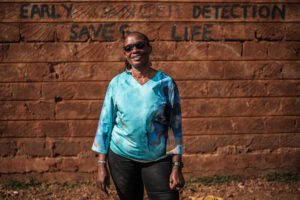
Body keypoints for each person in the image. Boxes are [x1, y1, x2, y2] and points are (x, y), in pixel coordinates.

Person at [92, 32, 184, 200]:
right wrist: (101, 165)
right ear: (125, 54)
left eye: (139, 45)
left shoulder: (166, 83)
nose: (134, 50)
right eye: (129, 48)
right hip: (121, 157)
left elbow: (175, 127)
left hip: (157, 158)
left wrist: (176, 166)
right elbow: (105, 124)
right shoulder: (117, 83)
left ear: (149, 48)